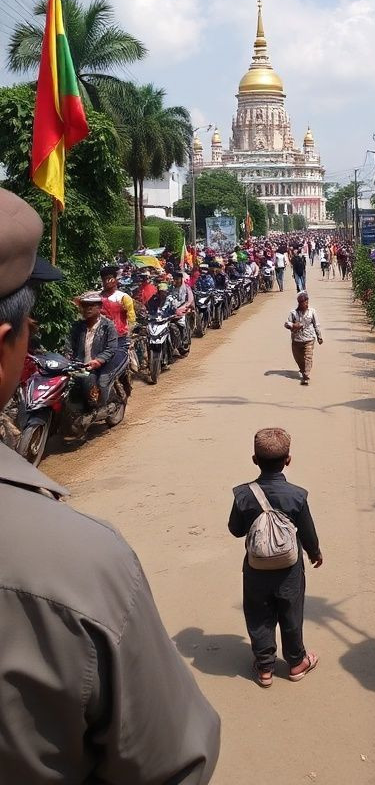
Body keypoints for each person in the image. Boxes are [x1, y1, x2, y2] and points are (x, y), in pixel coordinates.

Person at [0, 187, 220, 782]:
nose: (93, 303)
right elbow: (173, 759)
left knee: (94, 383)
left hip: (109, 365)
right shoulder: (84, 565)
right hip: (85, 367)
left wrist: (99, 362)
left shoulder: (122, 317)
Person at [228, 427, 322, 687]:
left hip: (256, 569)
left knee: (258, 615)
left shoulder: (243, 494)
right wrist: (314, 552)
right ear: (288, 460)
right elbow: (308, 532)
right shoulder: (297, 495)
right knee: (291, 614)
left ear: (254, 460)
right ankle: (297, 662)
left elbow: (235, 530)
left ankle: (265, 668)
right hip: (289, 570)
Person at [69, 292, 120, 408]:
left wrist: (98, 360)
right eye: (85, 305)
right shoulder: (77, 326)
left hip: (101, 366)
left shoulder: (108, 326)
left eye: (91, 305)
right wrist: (67, 358)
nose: (88, 308)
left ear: (100, 307)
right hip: (80, 365)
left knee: (98, 385)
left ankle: (100, 408)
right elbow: (69, 345)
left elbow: (111, 348)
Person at [284, 291, 323, 385]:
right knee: (298, 358)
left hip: (309, 339)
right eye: (302, 302)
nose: (305, 304)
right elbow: (286, 323)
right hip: (296, 340)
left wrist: (319, 337)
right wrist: (293, 325)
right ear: (299, 303)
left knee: (308, 357)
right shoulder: (293, 313)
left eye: (306, 301)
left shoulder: (312, 312)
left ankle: (306, 375)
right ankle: (302, 370)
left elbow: (316, 325)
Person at [100, 263, 136, 350]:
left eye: (109, 278)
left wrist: (129, 336)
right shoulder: (97, 298)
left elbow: (131, 319)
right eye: (104, 279)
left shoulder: (123, 297)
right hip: (100, 339)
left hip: (120, 339)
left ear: (116, 279)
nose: (107, 281)